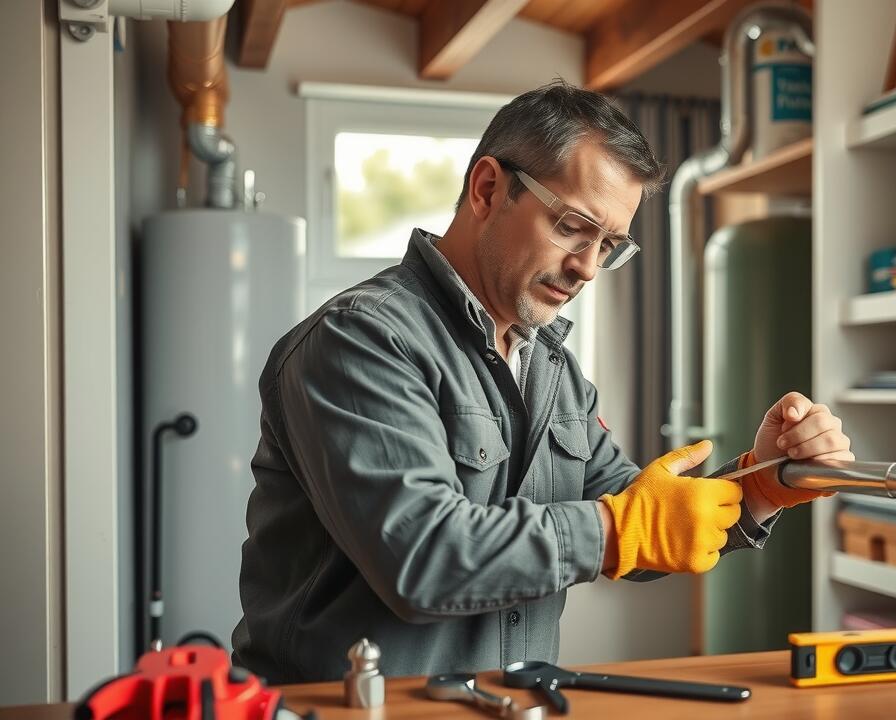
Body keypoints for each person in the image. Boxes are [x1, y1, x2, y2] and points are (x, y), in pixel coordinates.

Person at [231, 80, 852, 682]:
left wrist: (759, 485)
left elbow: (638, 518)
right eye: (572, 227)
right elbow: (422, 556)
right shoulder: (363, 341)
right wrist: (616, 531)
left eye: (609, 244)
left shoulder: (551, 367)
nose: (587, 267)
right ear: (487, 189)